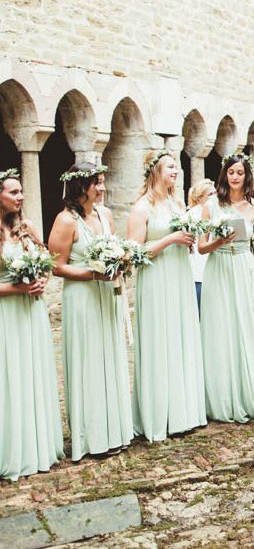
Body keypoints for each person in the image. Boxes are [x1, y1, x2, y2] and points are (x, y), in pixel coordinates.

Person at [48, 163, 133, 461]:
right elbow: (57, 266)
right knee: (89, 361)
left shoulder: (105, 215)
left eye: (103, 181)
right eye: (97, 182)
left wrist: (121, 261)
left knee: (110, 357)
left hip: (106, 295)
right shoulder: (65, 220)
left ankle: (116, 430)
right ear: (80, 186)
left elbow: (117, 248)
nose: (102, 187)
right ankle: (92, 435)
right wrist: (92, 274)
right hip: (82, 298)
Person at [126, 150, 206, 441]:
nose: (176, 171)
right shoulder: (141, 208)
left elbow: (184, 237)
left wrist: (187, 240)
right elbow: (133, 252)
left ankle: (184, 411)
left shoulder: (176, 203)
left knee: (181, 338)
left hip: (179, 276)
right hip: (156, 280)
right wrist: (171, 238)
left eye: (177, 167)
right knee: (160, 341)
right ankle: (160, 414)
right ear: (155, 172)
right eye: (171, 167)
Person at [198, 153, 254, 423]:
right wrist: (219, 243)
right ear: (225, 175)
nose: (235, 177)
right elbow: (200, 247)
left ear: (246, 176)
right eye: (231, 172)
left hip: (244, 267)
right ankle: (221, 396)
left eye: (239, 173)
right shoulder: (211, 205)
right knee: (220, 327)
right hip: (218, 267)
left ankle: (249, 391)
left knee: (246, 326)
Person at [0, 168, 64, 480]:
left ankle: (38, 445)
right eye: (13, 192)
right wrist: (17, 289)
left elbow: (47, 263)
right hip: (6, 314)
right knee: (10, 378)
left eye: (21, 191)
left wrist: (41, 280)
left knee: (32, 373)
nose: (20, 197)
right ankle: (13, 449)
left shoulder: (27, 228)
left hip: (32, 312)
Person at [187, 179, 216, 312]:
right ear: (199, 198)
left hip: (215, 266)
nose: (214, 196)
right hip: (198, 269)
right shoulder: (191, 216)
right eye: (210, 194)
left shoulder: (216, 212)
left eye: (215, 193)